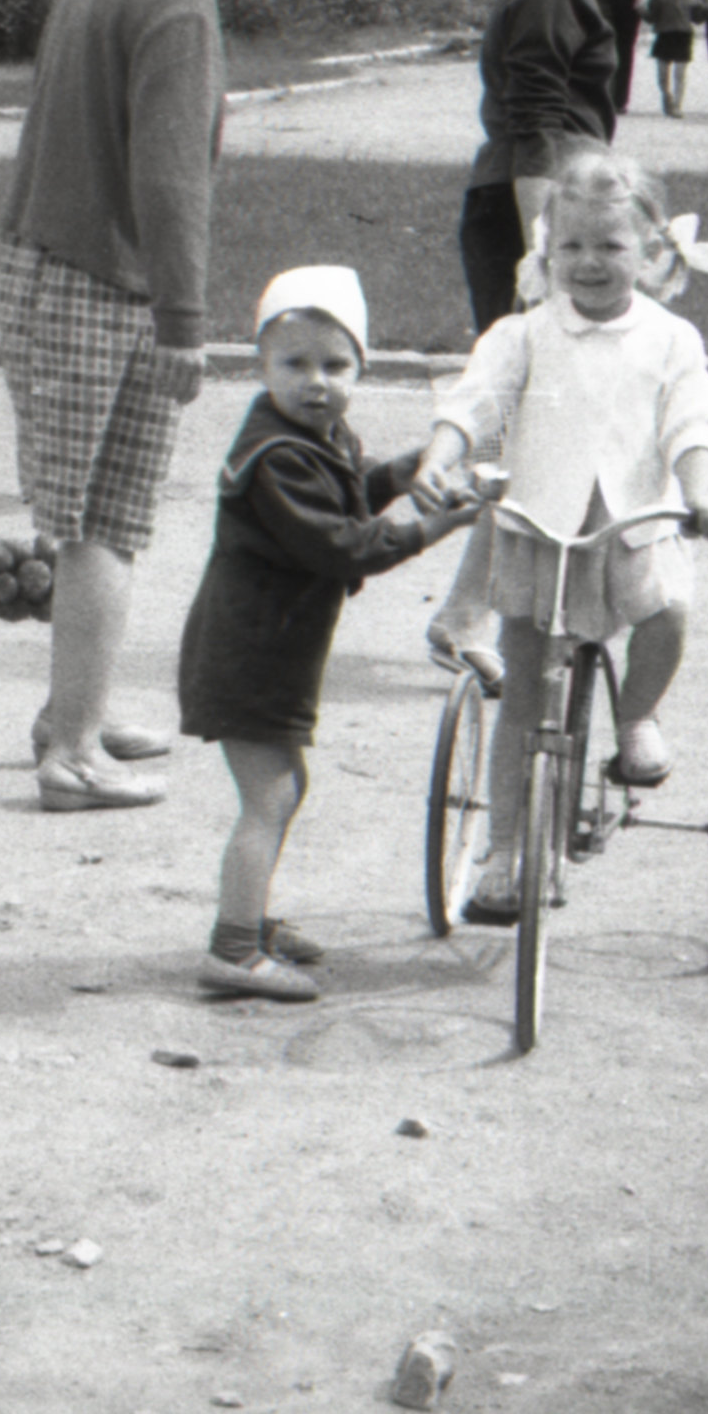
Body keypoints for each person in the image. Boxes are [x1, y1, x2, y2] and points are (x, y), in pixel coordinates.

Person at [0, 0, 330, 810]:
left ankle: (74, 708)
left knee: (89, 520)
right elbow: (169, 179)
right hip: (104, 282)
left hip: (47, 263)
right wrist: (185, 324)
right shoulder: (177, 0)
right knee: (108, 524)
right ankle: (70, 755)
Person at [412, 149, 708, 924]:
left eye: (611, 247)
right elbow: (475, 400)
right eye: (573, 247)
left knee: (667, 613)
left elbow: (691, 420)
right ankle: (506, 851)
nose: (589, 264)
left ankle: (636, 717)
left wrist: (697, 492)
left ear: (650, 254)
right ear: (546, 251)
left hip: (631, 523)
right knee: (525, 688)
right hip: (541, 528)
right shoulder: (523, 335)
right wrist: (439, 456)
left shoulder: (669, 339)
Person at [177, 267, 477, 1001]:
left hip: (270, 647)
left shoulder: (309, 435)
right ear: (261, 366)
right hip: (248, 653)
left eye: (336, 365)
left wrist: (401, 473)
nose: (317, 382)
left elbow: (346, 489)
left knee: (284, 788)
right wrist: (432, 525)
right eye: (294, 364)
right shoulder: (276, 456)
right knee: (268, 797)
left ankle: (250, 920)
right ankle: (232, 950)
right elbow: (341, 544)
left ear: (361, 366)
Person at [430, 0, 652, 691]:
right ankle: (466, 615)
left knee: (545, 427)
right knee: (533, 428)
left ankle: (469, 611)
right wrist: (542, 264)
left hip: (553, 217)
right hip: (526, 217)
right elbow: (532, 134)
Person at [643, 0, 702, 117]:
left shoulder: (692, 0)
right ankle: (666, 95)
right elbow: (651, 17)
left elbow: (698, 18)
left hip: (684, 35)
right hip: (664, 34)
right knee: (663, 72)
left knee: (680, 73)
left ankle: (677, 104)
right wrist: (640, 9)